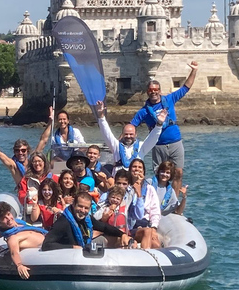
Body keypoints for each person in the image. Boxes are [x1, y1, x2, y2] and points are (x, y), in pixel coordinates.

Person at [130, 61, 199, 195]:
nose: (153, 92)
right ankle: (158, 201)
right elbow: (131, 126)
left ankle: (173, 202)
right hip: (158, 146)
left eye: (156, 90)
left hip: (175, 142)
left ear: (159, 91)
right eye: (151, 90)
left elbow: (186, 87)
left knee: (178, 172)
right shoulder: (143, 111)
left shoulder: (170, 99)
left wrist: (194, 70)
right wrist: (119, 143)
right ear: (147, 92)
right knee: (158, 175)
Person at [96, 100, 166, 176]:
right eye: (126, 134)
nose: (128, 136)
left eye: (131, 134)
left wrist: (159, 124)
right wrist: (101, 116)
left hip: (136, 179)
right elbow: (106, 133)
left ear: (136, 134)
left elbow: (153, 138)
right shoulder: (116, 146)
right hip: (119, 180)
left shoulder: (141, 147)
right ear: (122, 134)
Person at [0, 119, 52, 186]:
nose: (20, 153)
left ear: (27, 150)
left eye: (23, 150)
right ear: (14, 152)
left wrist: (50, 122)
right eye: (17, 150)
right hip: (24, 195)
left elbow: (43, 140)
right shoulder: (13, 165)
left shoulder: (33, 159)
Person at [41, 192, 124, 251]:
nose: (83, 210)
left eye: (86, 208)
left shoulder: (87, 218)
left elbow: (104, 227)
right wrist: (72, 247)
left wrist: (122, 235)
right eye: (80, 206)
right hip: (68, 257)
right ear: (73, 205)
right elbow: (46, 245)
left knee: (117, 239)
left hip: (83, 250)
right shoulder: (63, 222)